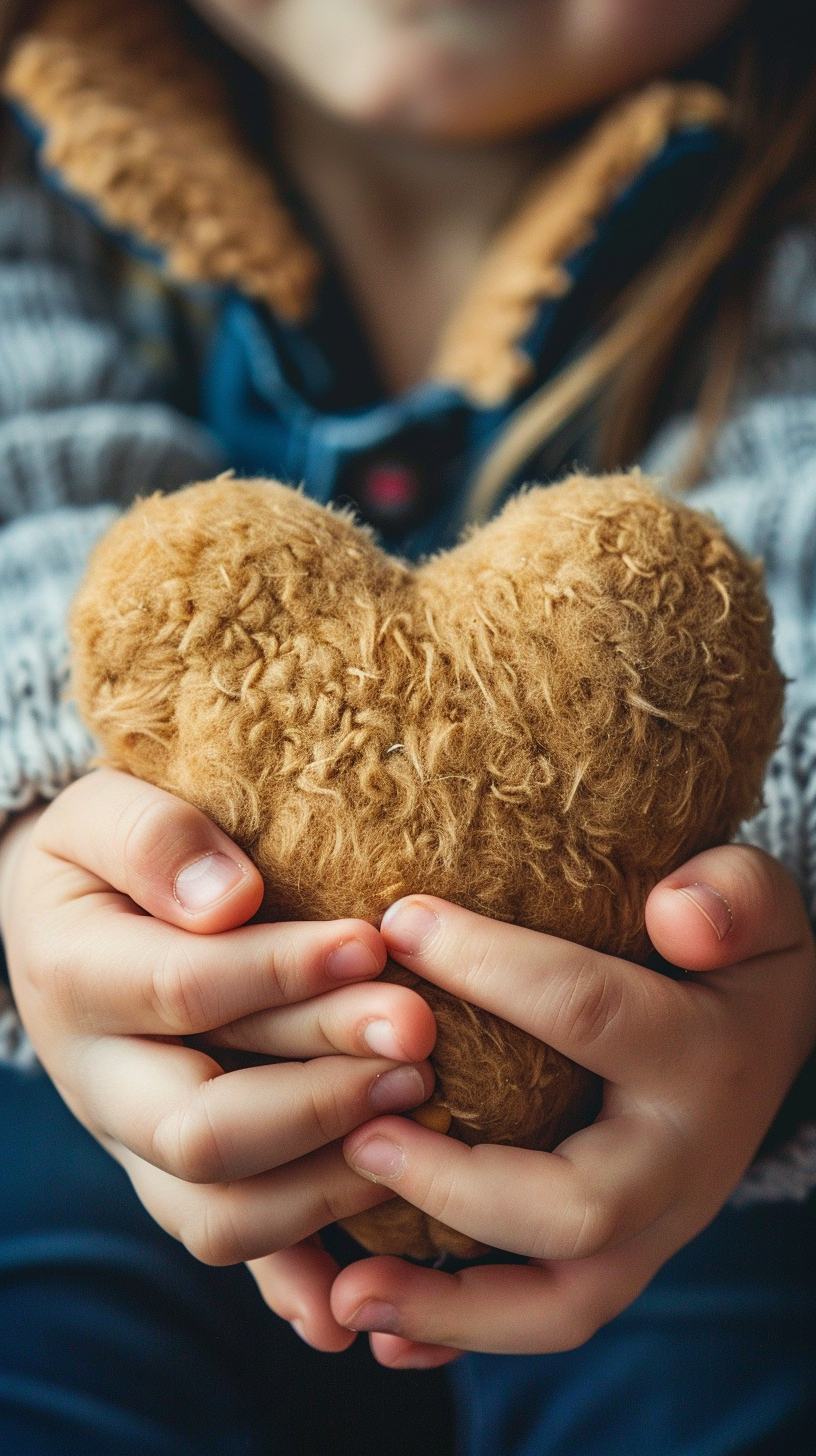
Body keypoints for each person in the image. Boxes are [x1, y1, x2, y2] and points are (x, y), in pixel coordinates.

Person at [0, 0, 815, 1451]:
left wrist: (770, 957)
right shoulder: (27, 145)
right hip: (81, 1046)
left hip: (692, 1098)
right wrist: (46, 834)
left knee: (734, 1348)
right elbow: (25, 511)